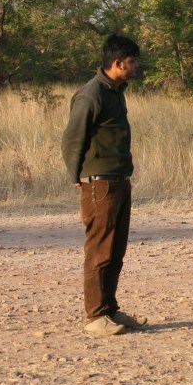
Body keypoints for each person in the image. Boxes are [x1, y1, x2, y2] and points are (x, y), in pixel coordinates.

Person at [61, 35, 147, 336]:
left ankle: (110, 310)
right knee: (99, 251)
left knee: (115, 251)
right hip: (99, 183)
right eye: (132, 61)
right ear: (117, 63)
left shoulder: (116, 91)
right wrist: (78, 177)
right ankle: (96, 316)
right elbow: (73, 139)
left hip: (119, 181)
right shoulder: (91, 94)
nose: (136, 66)